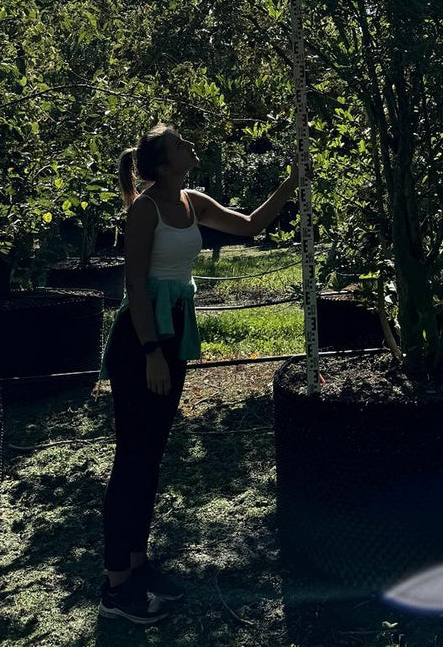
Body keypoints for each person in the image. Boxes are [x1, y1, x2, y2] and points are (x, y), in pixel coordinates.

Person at [98, 122, 299, 624]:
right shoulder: (145, 211)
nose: (191, 144)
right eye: (180, 142)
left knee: (152, 454)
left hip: (176, 335)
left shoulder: (193, 200)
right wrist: (149, 352)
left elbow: (251, 225)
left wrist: (293, 182)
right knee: (131, 458)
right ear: (164, 163)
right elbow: (135, 285)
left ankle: (139, 567)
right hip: (142, 341)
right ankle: (115, 585)